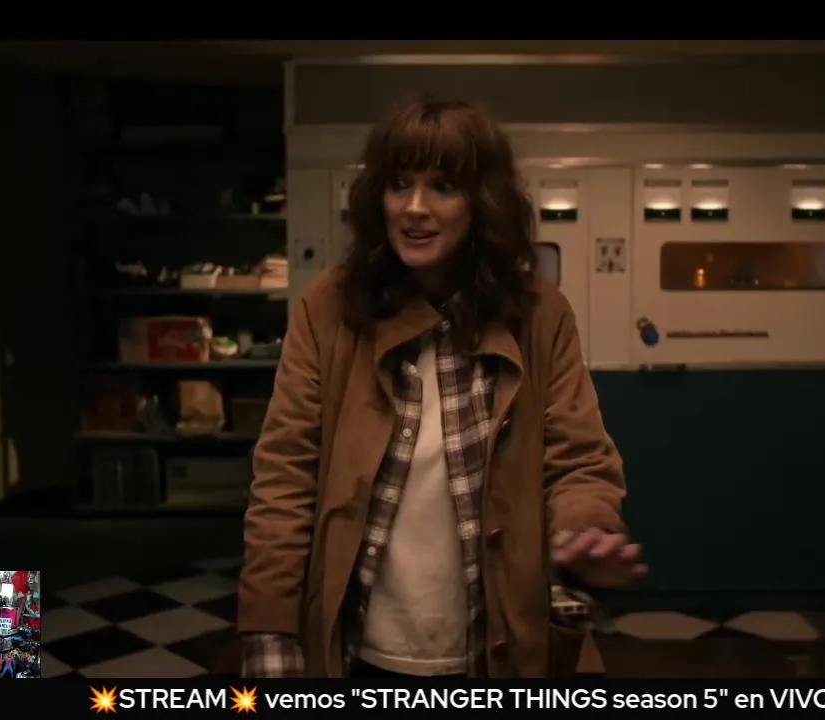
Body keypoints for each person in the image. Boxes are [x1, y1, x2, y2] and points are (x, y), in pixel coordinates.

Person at [238, 95, 646, 679]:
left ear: (482, 202)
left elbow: (578, 458)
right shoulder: (327, 308)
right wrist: (270, 628)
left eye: (443, 187)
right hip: (359, 648)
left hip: (495, 647)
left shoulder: (539, 314)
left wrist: (588, 528)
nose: (414, 208)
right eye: (399, 184)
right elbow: (285, 476)